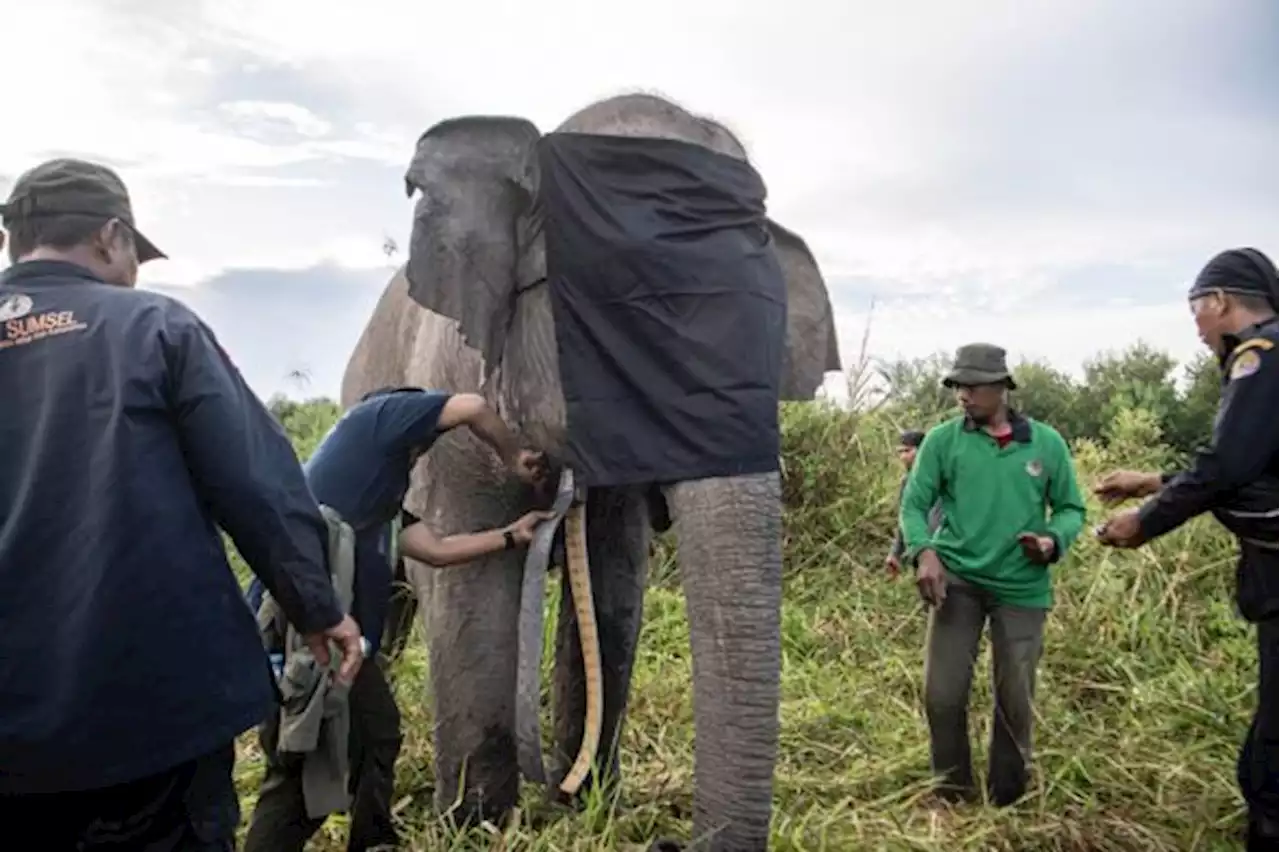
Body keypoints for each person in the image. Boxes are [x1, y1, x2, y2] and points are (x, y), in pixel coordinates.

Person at [0, 157, 363, 851]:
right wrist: (317, 607)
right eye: (135, 251)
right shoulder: (156, 327)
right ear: (112, 237)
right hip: (152, 715)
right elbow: (257, 484)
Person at [242, 385, 552, 852]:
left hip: (337, 645)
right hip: (301, 637)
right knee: (299, 765)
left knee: (374, 736)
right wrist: (514, 457)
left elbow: (437, 551)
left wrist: (512, 536)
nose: (426, 445)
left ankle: (373, 838)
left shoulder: (377, 500)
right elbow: (470, 406)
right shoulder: (377, 417)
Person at [1094, 247, 1280, 850]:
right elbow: (1256, 467)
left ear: (1219, 300)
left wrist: (1144, 521)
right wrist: (1152, 481)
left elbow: (1227, 464)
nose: (1197, 329)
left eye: (1196, 312)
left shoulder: (1261, 357)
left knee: (1270, 763)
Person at [898, 342, 1086, 806]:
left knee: (1015, 696)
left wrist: (1052, 541)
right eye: (958, 385)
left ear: (1002, 387)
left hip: (1022, 584)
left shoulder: (1046, 444)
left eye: (974, 386)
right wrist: (923, 551)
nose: (963, 395)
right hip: (957, 579)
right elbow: (915, 505)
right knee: (942, 692)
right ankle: (951, 792)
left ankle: (1009, 794)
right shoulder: (943, 441)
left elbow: (1070, 508)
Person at [886, 428, 944, 577]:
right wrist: (895, 553)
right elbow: (906, 518)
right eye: (900, 452)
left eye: (907, 451)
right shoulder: (907, 482)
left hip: (946, 549)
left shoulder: (942, 476)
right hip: (922, 550)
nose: (903, 457)